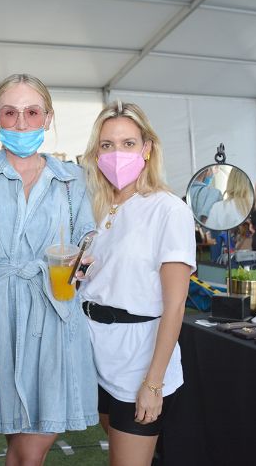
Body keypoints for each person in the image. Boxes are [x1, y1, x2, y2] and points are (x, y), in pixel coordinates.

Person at [0, 73, 99, 465]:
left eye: (32, 112)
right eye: (10, 113)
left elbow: (87, 241)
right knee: (21, 447)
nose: (22, 122)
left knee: (32, 448)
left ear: (48, 117)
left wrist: (85, 257)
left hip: (56, 318)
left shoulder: (72, 180)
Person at [78, 101, 195, 466]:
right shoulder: (97, 207)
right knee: (120, 448)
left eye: (128, 143)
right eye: (107, 145)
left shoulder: (168, 209)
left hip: (139, 359)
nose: (117, 153)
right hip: (94, 353)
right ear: (96, 153)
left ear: (147, 149)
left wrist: (153, 382)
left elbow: (175, 304)